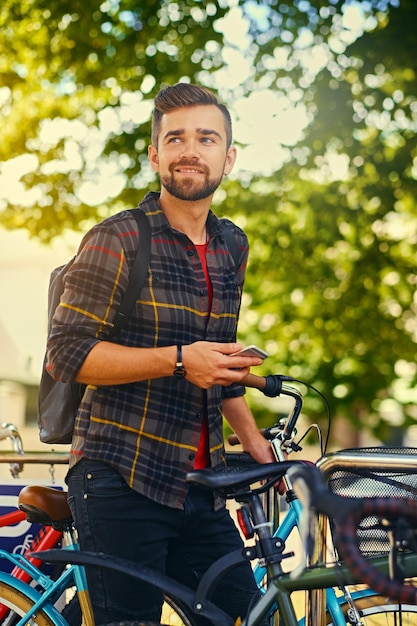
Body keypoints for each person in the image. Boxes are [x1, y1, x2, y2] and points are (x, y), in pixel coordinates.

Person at [46, 82, 275, 625]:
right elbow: (67, 354)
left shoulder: (231, 245)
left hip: (202, 485)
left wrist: (255, 442)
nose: (190, 149)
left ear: (229, 156)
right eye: (175, 139)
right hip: (121, 477)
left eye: (206, 137)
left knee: (251, 616)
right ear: (156, 156)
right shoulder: (118, 237)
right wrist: (177, 359)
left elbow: (215, 360)